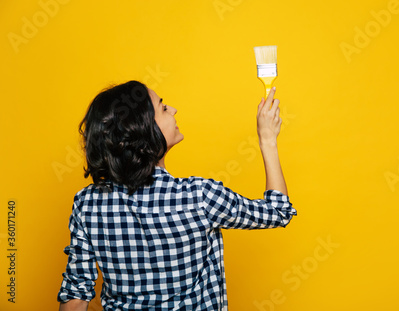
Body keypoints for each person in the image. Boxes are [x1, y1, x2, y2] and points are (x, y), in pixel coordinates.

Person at [57, 80, 296, 310]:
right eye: (162, 107)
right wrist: (267, 140)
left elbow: (76, 295)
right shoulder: (200, 197)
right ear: (143, 131)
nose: (173, 109)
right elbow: (278, 211)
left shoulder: (87, 205)